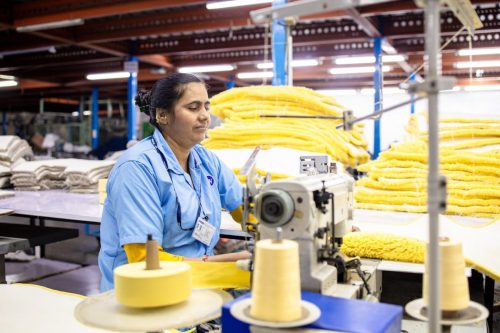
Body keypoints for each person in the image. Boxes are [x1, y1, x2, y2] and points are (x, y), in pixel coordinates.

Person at [98, 73, 250, 291]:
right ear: (163, 116)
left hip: (195, 286)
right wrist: (229, 266)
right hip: (141, 296)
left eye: (206, 107)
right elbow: (144, 262)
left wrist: (274, 226)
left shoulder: (206, 160)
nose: (205, 116)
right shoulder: (137, 169)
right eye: (193, 107)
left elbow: (245, 207)